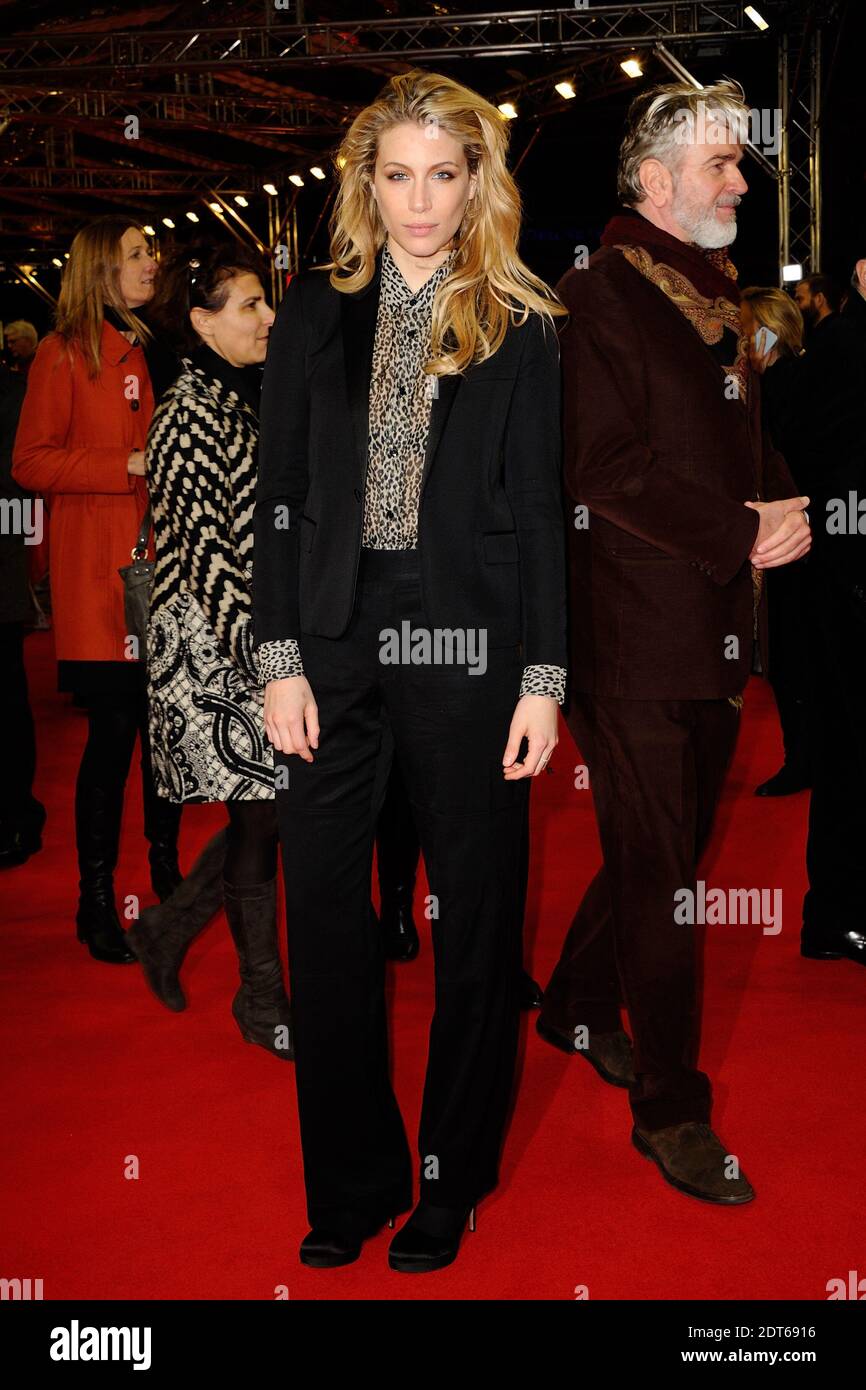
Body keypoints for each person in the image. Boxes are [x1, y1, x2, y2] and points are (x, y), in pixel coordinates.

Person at [253, 68, 568, 1272]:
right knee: (325, 918)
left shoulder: (520, 319)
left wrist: (543, 674)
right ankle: (350, 1180)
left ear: (475, 180)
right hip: (331, 639)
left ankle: (448, 1178)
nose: (419, 201)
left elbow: (540, 512)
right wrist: (278, 656)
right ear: (364, 182)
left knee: (474, 917)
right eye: (397, 176)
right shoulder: (311, 310)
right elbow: (276, 499)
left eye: (444, 174)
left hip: (471, 641)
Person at [539, 79, 810, 1205]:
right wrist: (734, 531)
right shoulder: (598, 293)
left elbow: (731, 447)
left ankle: (570, 1006)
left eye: (736, 165)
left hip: (712, 629)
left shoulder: (711, 293)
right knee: (665, 878)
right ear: (652, 183)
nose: (739, 182)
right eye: (718, 164)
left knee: (670, 851)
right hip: (633, 634)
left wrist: (785, 507)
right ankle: (671, 1105)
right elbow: (597, 471)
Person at [125, 240, 294, 1059]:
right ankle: (261, 999)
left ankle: (169, 927)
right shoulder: (188, 412)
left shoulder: (245, 392)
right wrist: (271, 658)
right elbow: (205, 557)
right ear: (202, 321)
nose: (268, 316)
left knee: (275, 808)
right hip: (222, 652)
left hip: (259, 641)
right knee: (264, 814)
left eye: (266, 301)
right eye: (251, 304)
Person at [12, 217, 183, 965]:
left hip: (164, 573)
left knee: (168, 739)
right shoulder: (61, 353)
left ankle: (169, 880)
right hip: (104, 585)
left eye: (152, 252)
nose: (153, 262)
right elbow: (31, 463)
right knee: (114, 743)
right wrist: (130, 463)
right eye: (139, 253)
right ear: (101, 269)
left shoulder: (155, 342)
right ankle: (95, 900)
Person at [790, 270, 866, 967]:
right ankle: (839, 916)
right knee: (850, 752)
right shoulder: (845, 344)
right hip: (852, 587)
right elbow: (826, 462)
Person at [739, 287, 810, 796]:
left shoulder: (779, 388)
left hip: (793, 541)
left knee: (794, 662)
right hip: (797, 538)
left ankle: (803, 759)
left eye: (744, 334)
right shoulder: (795, 380)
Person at [0, 363, 45, 866]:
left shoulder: (13, 391)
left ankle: (17, 815)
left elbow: (16, 486)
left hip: (2, 576)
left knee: (7, 704)